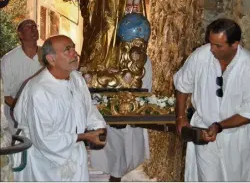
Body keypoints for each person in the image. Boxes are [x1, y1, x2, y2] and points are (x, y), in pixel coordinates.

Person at [173, 18, 250, 181]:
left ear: (235, 44)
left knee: (238, 178)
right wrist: (181, 118)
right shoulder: (200, 56)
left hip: (237, 138)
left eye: (218, 46)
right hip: (203, 132)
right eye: (210, 43)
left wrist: (219, 126)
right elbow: (183, 85)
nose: (211, 49)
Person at [13, 35, 107, 181]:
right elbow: (44, 138)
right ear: (51, 59)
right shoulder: (39, 91)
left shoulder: (76, 78)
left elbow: (88, 109)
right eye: (67, 50)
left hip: (74, 153)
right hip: (44, 161)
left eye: (73, 48)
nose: (74, 53)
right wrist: (84, 136)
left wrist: (99, 128)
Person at [90, 56, 152, 182]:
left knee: (127, 153)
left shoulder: (142, 59)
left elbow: (144, 88)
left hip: (130, 110)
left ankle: (117, 176)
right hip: (108, 111)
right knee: (115, 153)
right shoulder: (106, 52)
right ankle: (115, 177)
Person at [1, 19, 43, 133]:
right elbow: (6, 95)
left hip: (44, 115)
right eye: (28, 27)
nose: (33, 29)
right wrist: (23, 109)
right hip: (14, 117)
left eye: (35, 26)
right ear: (20, 34)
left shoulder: (47, 56)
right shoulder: (8, 59)